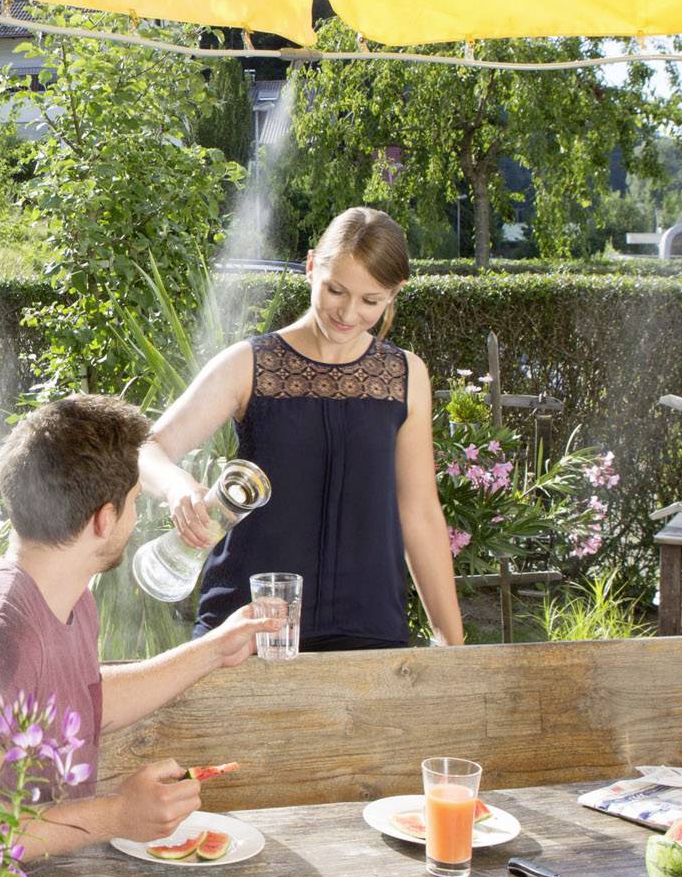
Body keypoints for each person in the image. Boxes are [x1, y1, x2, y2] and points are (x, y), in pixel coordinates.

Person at [0, 393, 265, 858]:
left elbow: (79, 702)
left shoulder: (69, 598)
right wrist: (116, 816)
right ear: (104, 519)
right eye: (135, 502)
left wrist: (215, 650)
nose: (137, 517)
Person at [138, 206, 468, 651]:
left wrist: (453, 642)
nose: (349, 313)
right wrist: (178, 487)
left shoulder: (406, 375)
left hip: (369, 630)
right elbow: (147, 449)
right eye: (336, 290)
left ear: (394, 294)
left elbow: (420, 513)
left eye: (371, 300)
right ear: (311, 267)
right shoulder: (249, 364)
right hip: (246, 630)